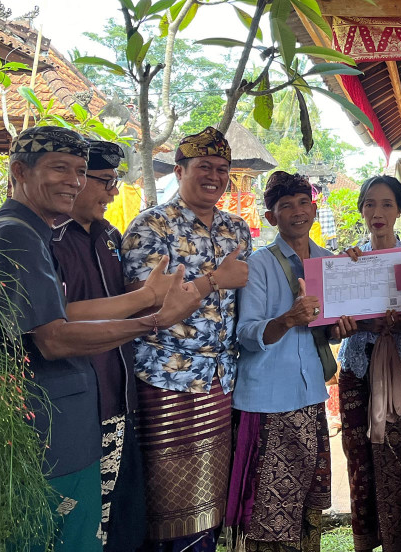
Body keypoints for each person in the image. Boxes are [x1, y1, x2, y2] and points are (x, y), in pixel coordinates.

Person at [0, 126, 201, 551]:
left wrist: (146, 299)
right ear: (19, 170)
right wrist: (154, 321)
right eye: (60, 169)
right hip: (44, 434)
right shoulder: (15, 234)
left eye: (79, 170)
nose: (73, 182)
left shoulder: (36, 231)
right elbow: (54, 339)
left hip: (59, 428)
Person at [121, 127, 252, 552]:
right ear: (179, 171)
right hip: (164, 378)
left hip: (219, 380)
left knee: (210, 496)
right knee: (163, 496)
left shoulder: (237, 229)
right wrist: (215, 279)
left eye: (222, 169)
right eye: (203, 167)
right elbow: (145, 305)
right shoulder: (150, 226)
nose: (214, 176)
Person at [225, 171, 356, 551]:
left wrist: (339, 329)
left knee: (305, 508)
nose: (297, 212)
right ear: (271, 217)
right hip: (268, 400)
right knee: (266, 510)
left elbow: (328, 329)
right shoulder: (259, 265)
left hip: (311, 395)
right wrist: (288, 318)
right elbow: (247, 335)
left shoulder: (329, 262)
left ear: (314, 209)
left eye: (303, 203)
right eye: (286, 206)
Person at [51, 140, 152, 551]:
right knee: (83, 526)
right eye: (106, 181)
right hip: (77, 406)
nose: (113, 192)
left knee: (124, 522)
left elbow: (119, 302)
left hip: (121, 394)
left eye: (116, 181)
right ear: (76, 180)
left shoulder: (111, 235)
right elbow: (55, 319)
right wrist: (146, 304)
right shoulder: (50, 239)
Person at [336, 175, 401, 552]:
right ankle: (365, 542)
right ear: (361, 209)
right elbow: (331, 320)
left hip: (400, 370)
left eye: (387, 204)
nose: (378, 212)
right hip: (356, 369)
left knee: (399, 459)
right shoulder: (346, 259)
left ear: (400, 210)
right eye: (370, 203)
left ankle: (400, 544)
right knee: (359, 460)